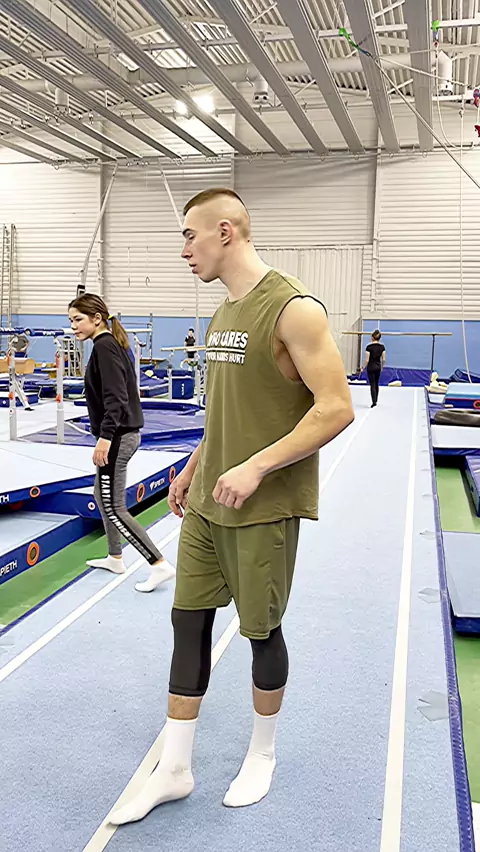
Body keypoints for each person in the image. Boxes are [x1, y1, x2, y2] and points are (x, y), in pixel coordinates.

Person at [110, 188, 354, 827]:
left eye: (189, 236)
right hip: (207, 502)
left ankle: (262, 753)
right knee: (187, 623)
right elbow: (225, 414)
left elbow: (336, 408)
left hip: (263, 506)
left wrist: (256, 466)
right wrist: (194, 466)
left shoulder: (293, 309)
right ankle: (175, 768)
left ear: (226, 231)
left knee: (261, 632)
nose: (184, 251)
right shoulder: (222, 314)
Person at [68, 294, 174, 592]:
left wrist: (104, 438)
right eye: (71, 320)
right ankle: (115, 557)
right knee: (101, 496)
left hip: (117, 436)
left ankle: (159, 564)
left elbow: (116, 398)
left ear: (96, 319)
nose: (73, 326)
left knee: (114, 507)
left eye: (78, 320)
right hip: (121, 434)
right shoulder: (108, 344)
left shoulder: (104, 347)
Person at [362, 329, 386, 408]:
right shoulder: (382, 347)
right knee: (376, 383)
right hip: (378, 366)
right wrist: (382, 366)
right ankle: (376, 399)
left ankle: (374, 401)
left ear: (372, 337)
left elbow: (367, 360)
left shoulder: (369, 347)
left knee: (372, 384)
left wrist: (363, 367)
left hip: (371, 367)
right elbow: (383, 359)